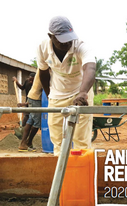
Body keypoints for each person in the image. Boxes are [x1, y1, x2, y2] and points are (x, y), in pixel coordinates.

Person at [37, 16, 96, 156]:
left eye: (69, 38)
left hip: (81, 93)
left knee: (81, 139)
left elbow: (90, 69)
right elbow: (43, 73)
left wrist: (83, 93)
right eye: (62, 40)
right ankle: (63, 175)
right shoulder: (43, 48)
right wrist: (49, 94)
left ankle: (82, 174)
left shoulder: (81, 46)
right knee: (58, 140)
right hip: (57, 95)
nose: (67, 43)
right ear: (51, 36)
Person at [18, 72, 43, 152]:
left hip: (31, 97)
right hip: (36, 98)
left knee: (30, 120)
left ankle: (23, 143)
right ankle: (28, 142)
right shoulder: (44, 71)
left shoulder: (41, 70)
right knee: (37, 122)